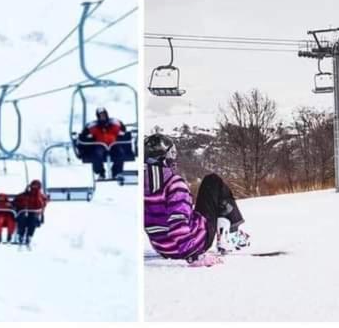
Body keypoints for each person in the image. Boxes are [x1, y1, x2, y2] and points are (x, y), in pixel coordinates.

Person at [143, 134, 250, 267]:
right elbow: (178, 223)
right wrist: (194, 255)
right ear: (165, 157)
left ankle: (227, 231)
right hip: (195, 243)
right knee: (213, 181)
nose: (174, 158)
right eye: (172, 153)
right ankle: (231, 235)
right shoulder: (174, 184)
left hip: (164, 249)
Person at [78, 107, 128, 180]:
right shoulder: (93, 125)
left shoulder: (114, 123)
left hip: (112, 144)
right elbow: (84, 134)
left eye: (104, 115)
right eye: (101, 115)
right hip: (100, 144)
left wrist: (121, 133)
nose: (103, 117)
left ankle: (116, 172)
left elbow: (123, 130)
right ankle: (100, 172)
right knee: (97, 154)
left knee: (120, 152)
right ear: (98, 116)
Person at [13, 180, 49, 247]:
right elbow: (16, 201)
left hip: (33, 214)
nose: (34, 188)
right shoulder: (25, 195)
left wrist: (38, 195)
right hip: (23, 213)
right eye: (33, 186)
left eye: (36, 186)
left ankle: (29, 236)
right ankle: (21, 234)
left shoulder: (40, 197)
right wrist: (20, 206)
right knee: (22, 217)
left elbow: (41, 204)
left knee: (33, 219)